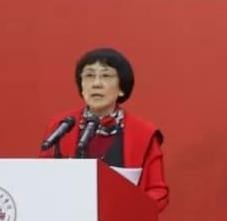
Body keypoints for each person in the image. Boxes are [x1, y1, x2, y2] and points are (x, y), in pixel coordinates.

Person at [39, 47, 168, 212]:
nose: (96, 84)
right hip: (67, 220)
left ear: (121, 88)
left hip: (123, 220)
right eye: (89, 75)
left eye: (106, 76)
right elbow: (42, 179)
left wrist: (132, 210)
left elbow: (158, 191)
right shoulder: (62, 126)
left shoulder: (143, 133)